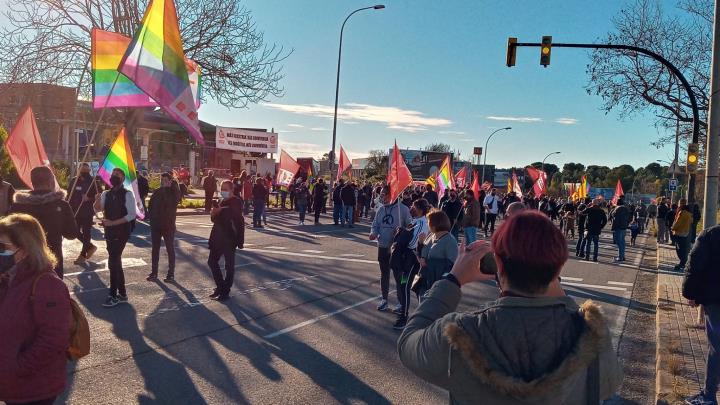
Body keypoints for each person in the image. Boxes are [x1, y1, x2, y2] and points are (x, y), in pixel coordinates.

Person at [398, 211, 622, 404]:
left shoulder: (460, 333)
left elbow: (408, 344)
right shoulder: (591, 335)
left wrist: (453, 280)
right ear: (560, 265)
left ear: (499, 265)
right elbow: (609, 384)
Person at [0, 214, 72, 405]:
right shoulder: (9, 279)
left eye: (3, 248)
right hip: (12, 384)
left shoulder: (47, 284)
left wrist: (16, 368)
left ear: (24, 250)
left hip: (33, 389)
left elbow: (54, 339)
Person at [11, 166, 78, 278]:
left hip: (24, 261)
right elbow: (72, 234)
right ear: (51, 181)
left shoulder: (18, 206)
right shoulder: (62, 205)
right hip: (53, 262)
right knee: (52, 292)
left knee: (26, 293)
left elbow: (9, 236)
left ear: (32, 182)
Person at [682, 225, 720, 405]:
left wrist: (690, 293)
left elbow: (694, 265)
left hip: (715, 300)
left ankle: (709, 395)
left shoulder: (711, 235)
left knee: (717, 347)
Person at [93, 168, 137, 308]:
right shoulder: (106, 193)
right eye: (113, 175)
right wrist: (97, 201)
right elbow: (98, 209)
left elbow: (131, 215)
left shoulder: (127, 194)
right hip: (110, 232)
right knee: (116, 261)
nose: (114, 177)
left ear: (123, 178)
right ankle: (122, 293)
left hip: (121, 232)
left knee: (113, 261)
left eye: (118, 175)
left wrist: (112, 223)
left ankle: (113, 294)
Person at [370, 187, 411, 311]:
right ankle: (384, 300)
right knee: (384, 273)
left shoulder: (403, 209)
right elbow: (375, 225)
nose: (382, 197)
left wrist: (401, 232)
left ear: (392, 194)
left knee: (399, 276)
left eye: (384, 194)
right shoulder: (381, 209)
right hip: (382, 246)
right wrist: (373, 233)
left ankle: (401, 302)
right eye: (381, 194)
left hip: (397, 249)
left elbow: (410, 227)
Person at [391, 199, 430, 329]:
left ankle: (404, 316)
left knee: (406, 285)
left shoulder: (422, 223)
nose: (411, 208)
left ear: (419, 209)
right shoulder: (414, 222)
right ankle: (404, 312)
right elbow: (407, 235)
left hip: (412, 260)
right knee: (403, 285)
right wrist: (401, 232)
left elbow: (413, 242)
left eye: (413, 206)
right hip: (405, 259)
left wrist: (403, 236)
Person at [207, 180, 245, 301]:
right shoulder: (222, 201)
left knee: (229, 266)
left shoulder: (236, 202)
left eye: (226, 189)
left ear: (232, 190)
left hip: (229, 238)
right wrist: (214, 213)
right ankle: (220, 286)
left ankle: (225, 291)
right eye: (222, 189)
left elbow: (236, 219)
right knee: (212, 262)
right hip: (217, 237)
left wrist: (240, 241)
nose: (223, 191)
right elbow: (214, 219)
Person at [414, 210, 459, 300]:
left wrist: (427, 262)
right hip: (425, 280)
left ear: (435, 224)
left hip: (437, 284)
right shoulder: (431, 235)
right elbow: (423, 252)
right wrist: (420, 243)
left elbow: (451, 265)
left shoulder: (450, 241)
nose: (427, 224)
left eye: (428, 222)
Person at [146, 172, 181, 282]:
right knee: (155, 249)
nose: (163, 183)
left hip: (168, 226)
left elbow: (174, 202)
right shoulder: (157, 192)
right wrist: (150, 218)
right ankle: (154, 272)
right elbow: (150, 206)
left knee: (170, 249)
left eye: (166, 180)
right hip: (156, 225)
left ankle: (171, 274)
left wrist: (171, 186)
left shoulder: (173, 192)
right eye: (162, 181)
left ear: (170, 181)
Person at [67, 163, 99, 265]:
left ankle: (83, 254)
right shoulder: (74, 180)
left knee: (86, 233)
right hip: (75, 210)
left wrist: (89, 198)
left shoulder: (92, 181)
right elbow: (69, 194)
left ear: (89, 170)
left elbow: (99, 195)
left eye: (86, 170)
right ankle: (90, 246)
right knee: (74, 231)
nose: (84, 172)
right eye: (82, 170)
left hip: (87, 211)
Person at [671, 199, 694, 272]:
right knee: (682, 248)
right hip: (685, 232)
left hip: (679, 232)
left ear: (681, 203)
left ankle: (683, 263)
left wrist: (673, 228)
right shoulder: (689, 213)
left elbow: (678, 222)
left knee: (679, 249)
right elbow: (691, 221)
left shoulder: (681, 212)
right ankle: (683, 263)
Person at [610, 198, 631, 262]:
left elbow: (615, 219)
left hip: (618, 227)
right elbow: (629, 218)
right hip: (624, 227)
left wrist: (613, 228)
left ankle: (620, 257)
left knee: (619, 243)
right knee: (622, 242)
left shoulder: (617, 209)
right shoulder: (626, 208)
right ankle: (622, 256)